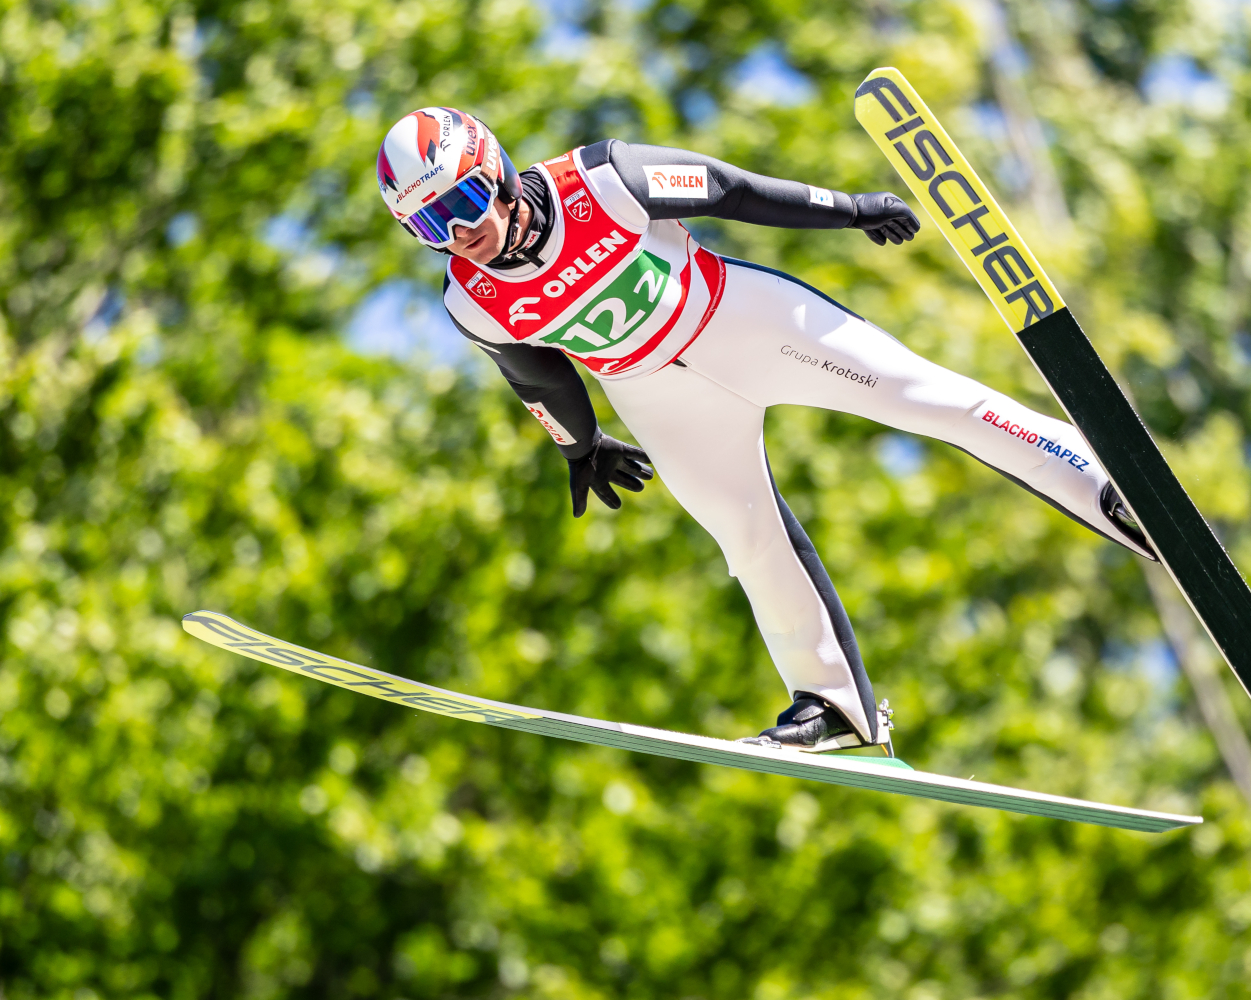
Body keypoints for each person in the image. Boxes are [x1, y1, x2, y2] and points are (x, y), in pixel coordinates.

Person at [376, 107, 1154, 756]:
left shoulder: (604, 180)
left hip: (745, 324)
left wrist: (850, 209)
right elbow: (538, 378)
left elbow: (732, 189)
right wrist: (578, 447)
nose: (459, 233)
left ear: (497, 173)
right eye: (430, 225)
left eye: (462, 204)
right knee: (746, 541)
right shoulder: (471, 299)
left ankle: (1103, 485)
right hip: (659, 399)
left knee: (929, 400)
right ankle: (833, 706)